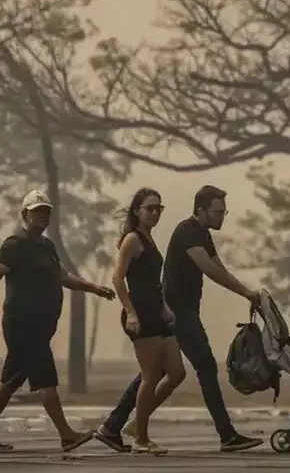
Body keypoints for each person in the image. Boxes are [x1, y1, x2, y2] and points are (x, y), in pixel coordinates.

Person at [95, 185, 263, 453]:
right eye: (217, 212)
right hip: (176, 310)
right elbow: (209, 270)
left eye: (224, 212)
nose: (222, 217)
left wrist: (249, 292)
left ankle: (116, 425)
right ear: (201, 210)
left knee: (161, 372)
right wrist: (244, 292)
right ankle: (226, 435)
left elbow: (219, 265)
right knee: (202, 367)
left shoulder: (201, 235)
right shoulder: (187, 232)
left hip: (169, 310)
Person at [0, 190, 117, 453]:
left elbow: (63, 276)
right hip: (23, 324)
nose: (41, 216)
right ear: (25, 214)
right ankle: (67, 434)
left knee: (10, 381)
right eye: (36, 211)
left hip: (40, 325)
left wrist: (94, 288)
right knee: (46, 380)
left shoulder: (46, 246)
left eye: (45, 212)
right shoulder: (14, 244)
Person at [112, 188, 185, 455]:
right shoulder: (132, 239)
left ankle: (135, 423)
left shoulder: (149, 239)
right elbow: (118, 279)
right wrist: (130, 312)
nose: (154, 213)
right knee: (151, 375)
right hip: (140, 311)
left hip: (157, 311)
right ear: (137, 211)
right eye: (149, 208)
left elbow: (153, 282)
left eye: (158, 209)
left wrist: (165, 307)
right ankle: (141, 438)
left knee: (176, 372)